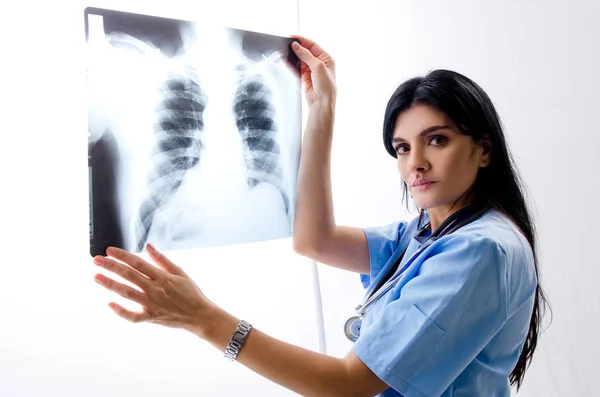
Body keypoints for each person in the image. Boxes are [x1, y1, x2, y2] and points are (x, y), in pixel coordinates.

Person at [92, 36, 550, 397]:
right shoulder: (429, 234)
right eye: (402, 148)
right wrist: (322, 108)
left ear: (484, 149)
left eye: (437, 140)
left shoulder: (479, 250)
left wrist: (204, 319)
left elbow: (346, 385)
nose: (415, 164)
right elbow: (314, 240)